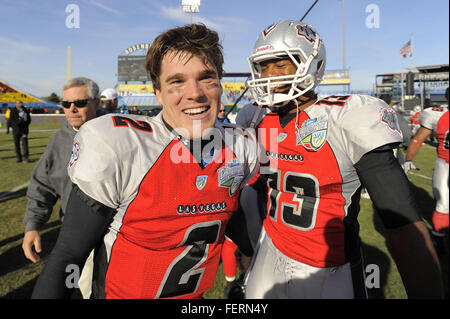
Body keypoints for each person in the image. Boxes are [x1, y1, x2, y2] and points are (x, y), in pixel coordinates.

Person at [31, 23, 258, 299]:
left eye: (207, 78)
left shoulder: (240, 146)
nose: (195, 93)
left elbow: (227, 209)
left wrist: (249, 250)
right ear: (158, 93)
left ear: (220, 85)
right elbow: (69, 254)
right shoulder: (123, 146)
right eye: (177, 82)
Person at [242, 20, 443, 299]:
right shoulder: (256, 118)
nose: (269, 75)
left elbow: (403, 224)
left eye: (280, 65)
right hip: (270, 249)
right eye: (263, 66)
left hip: (327, 270)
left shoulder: (346, 119)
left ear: (310, 65)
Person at [22, 77, 100, 298]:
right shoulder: (58, 141)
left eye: (80, 102)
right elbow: (42, 185)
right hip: (74, 235)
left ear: (96, 102)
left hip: (116, 236)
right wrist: (32, 225)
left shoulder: (119, 133)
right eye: (66, 104)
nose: (72, 108)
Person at [403, 87, 449, 254]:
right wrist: (408, 160)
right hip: (446, 164)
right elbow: (418, 140)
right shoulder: (436, 115)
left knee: (443, 204)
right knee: (443, 204)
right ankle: (439, 241)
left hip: (444, 164)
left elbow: (417, 140)